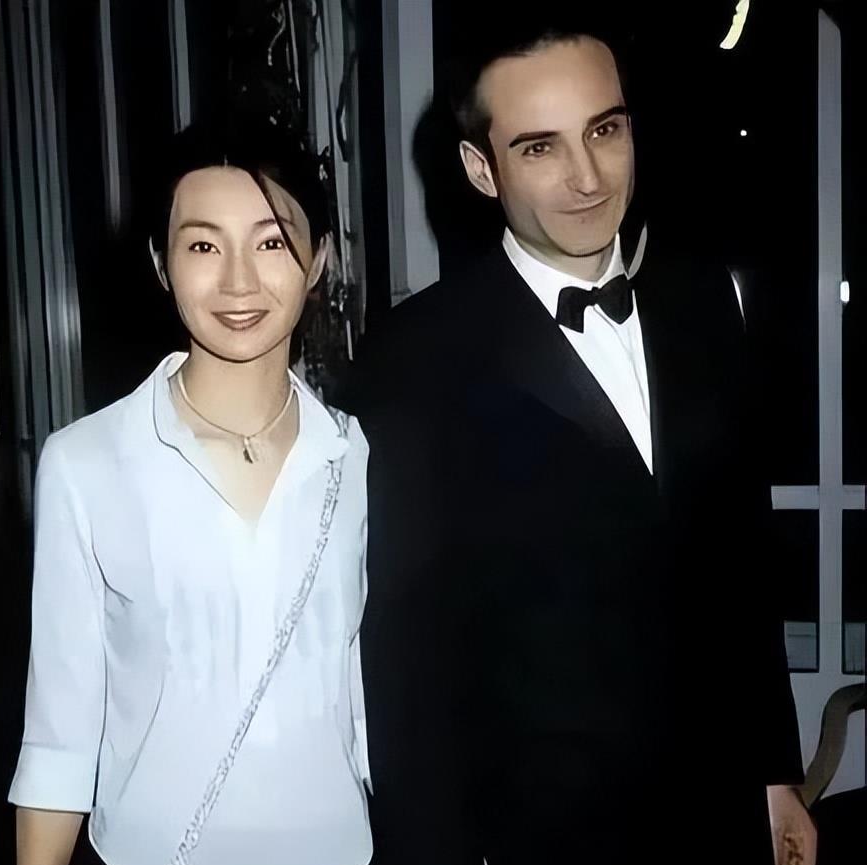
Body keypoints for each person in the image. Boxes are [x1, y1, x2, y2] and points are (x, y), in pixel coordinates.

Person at [342, 17, 816, 865]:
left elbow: (740, 565)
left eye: (605, 130)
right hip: (540, 834)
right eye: (540, 148)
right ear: (480, 169)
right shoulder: (415, 358)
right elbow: (406, 659)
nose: (589, 177)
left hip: (719, 811)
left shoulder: (704, 304)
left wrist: (775, 772)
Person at [8, 118, 372, 865]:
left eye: (272, 242)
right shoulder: (86, 464)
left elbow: (371, 703)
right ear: (161, 263)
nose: (238, 282)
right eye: (204, 246)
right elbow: (58, 740)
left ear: (319, 260)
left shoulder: (359, 455)